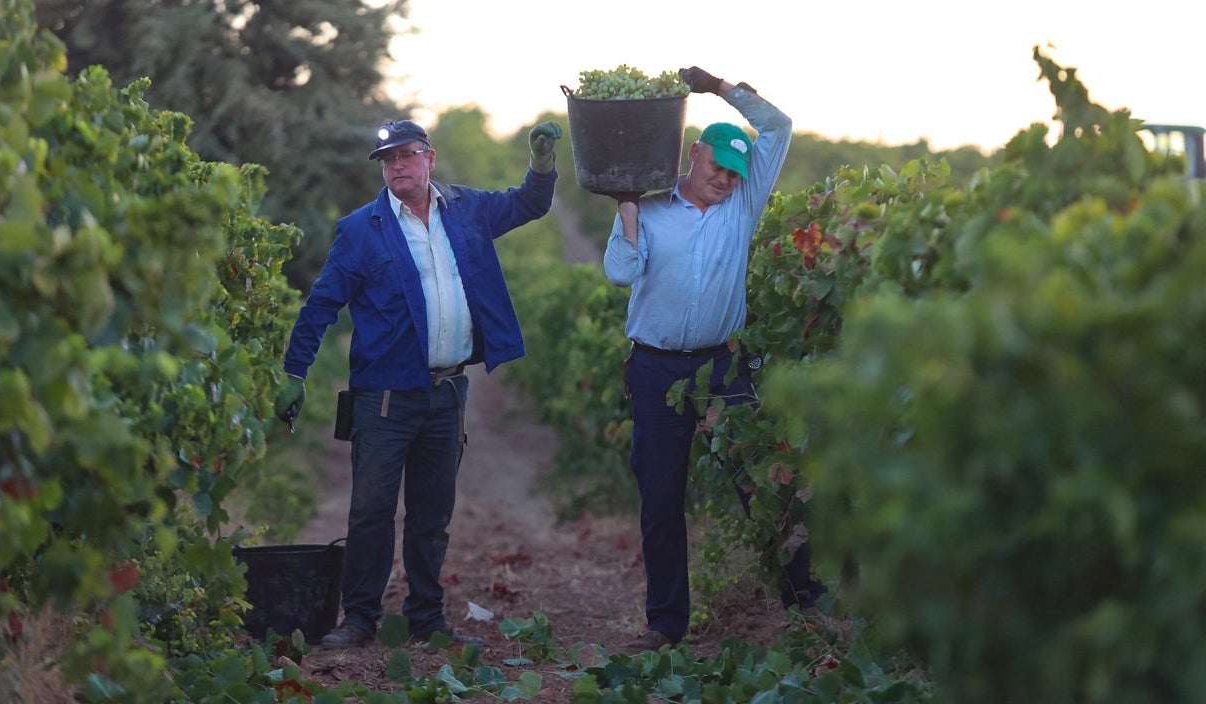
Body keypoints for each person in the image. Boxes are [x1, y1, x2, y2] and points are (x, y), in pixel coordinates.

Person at [273, 117, 563, 649]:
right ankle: (359, 619)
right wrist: (295, 372)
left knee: (433, 515)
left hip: (447, 393)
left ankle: (428, 620)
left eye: (406, 156)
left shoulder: (467, 210)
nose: (397, 167)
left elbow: (528, 205)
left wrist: (541, 166)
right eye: (387, 160)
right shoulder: (362, 230)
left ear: (429, 158)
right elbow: (320, 306)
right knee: (371, 512)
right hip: (383, 398)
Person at [603, 66, 825, 653]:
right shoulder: (648, 206)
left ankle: (808, 607)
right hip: (654, 371)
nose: (725, 180)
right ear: (693, 155)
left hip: (721, 369)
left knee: (764, 481)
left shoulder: (742, 205)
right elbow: (620, 272)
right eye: (716, 167)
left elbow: (778, 125)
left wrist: (721, 88)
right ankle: (666, 624)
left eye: (734, 172)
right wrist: (625, 207)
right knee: (660, 496)